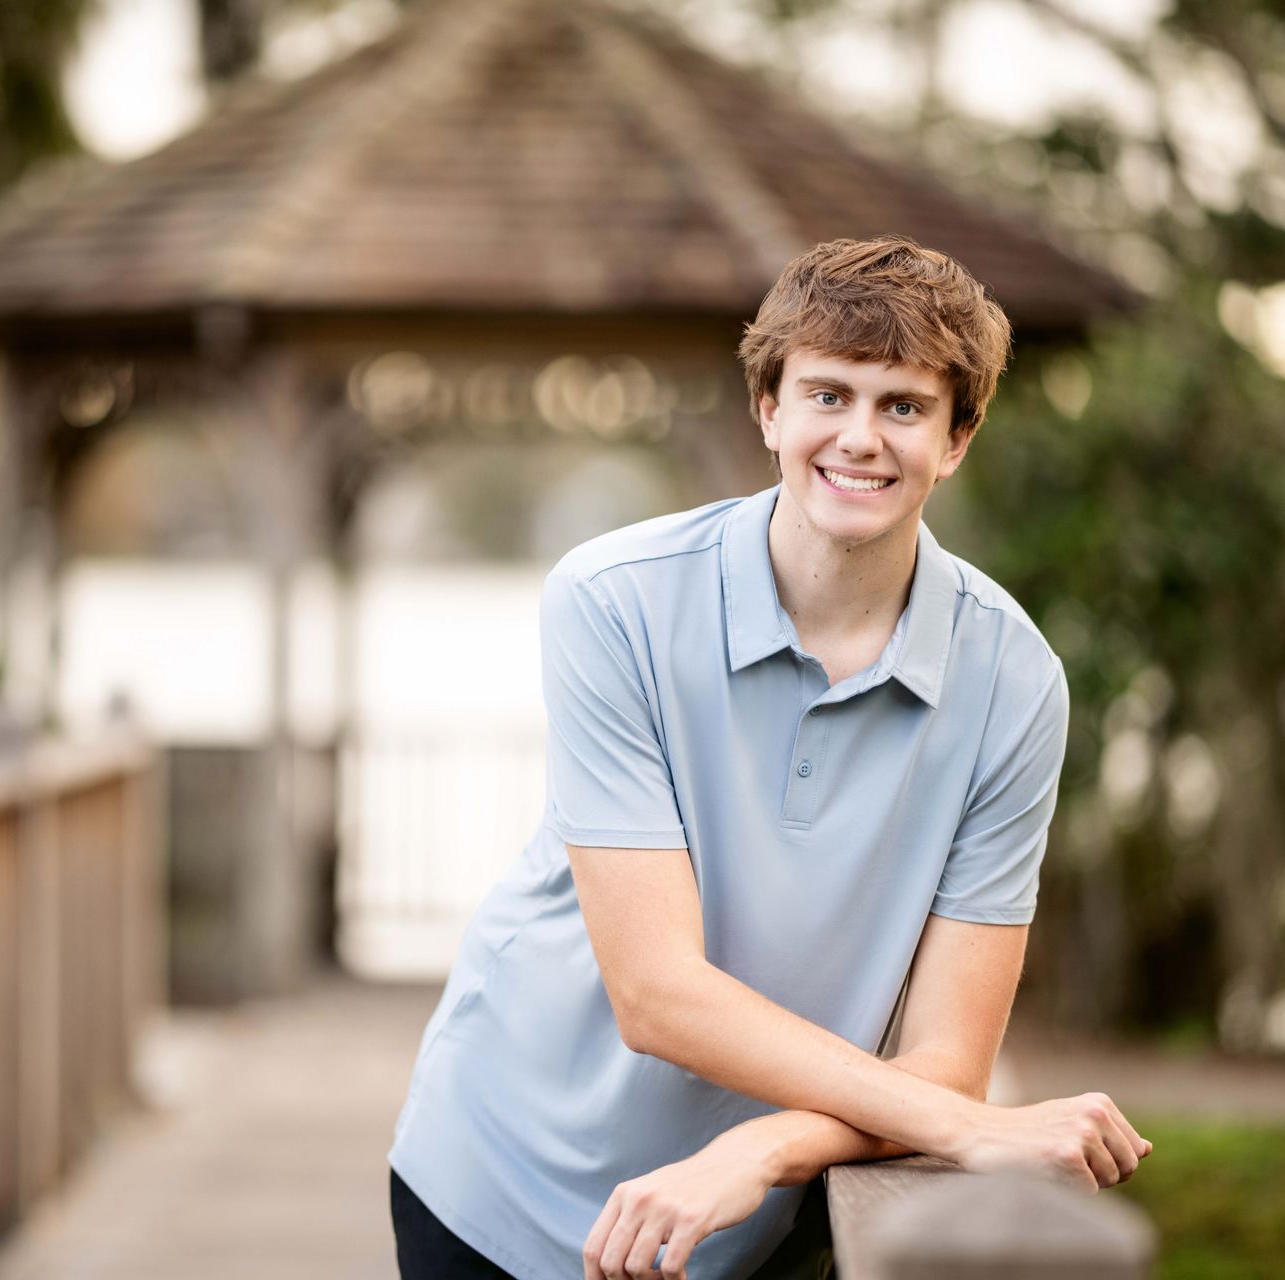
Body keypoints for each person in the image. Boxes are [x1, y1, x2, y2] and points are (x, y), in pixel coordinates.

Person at [387, 236, 1150, 1280]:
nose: (861, 438)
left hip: (751, 1220)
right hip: (503, 1181)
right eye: (828, 394)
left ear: (958, 437)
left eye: (904, 405)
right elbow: (656, 990)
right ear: (769, 411)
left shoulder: (1015, 682)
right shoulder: (614, 601)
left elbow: (948, 1061)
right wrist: (966, 1124)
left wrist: (764, 1146)